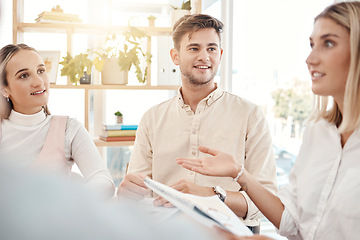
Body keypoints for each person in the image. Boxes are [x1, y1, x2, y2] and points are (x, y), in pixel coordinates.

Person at [176, 2, 360, 239]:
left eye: (328, 43)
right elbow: (291, 223)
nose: (310, 58)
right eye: (312, 44)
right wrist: (238, 172)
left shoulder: (249, 113)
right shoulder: (318, 133)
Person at [117, 14, 277, 230]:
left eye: (211, 49)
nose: (204, 57)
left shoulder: (250, 115)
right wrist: (127, 194)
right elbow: (139, 191)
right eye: (194, 48)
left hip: (229, 234)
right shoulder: (152, 118)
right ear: (175, 56)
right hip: (167, 232)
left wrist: (211, 196)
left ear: (220, 55)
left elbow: (264, 203)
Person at [0, 43, 115, 200]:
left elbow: (103, 180)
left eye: (41, 71)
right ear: (4, 89)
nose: (39, 82)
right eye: (24, 75)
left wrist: (71, 200)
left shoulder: (69, 128)